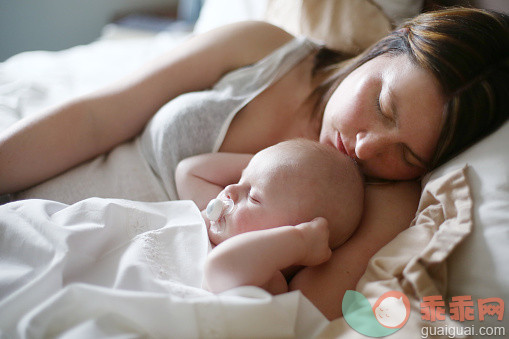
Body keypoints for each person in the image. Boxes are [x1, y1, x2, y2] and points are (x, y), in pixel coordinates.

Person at [0, 8, 507, 319]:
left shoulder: (384, 200)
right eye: (382, 105)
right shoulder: (263, 49)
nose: (367, 146)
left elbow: (296, 313)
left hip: (100, 277)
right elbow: (99, 116)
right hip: (28, 203)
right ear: (383, 49)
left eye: (407, 154)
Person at [175, 139, 364, 294]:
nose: (230, 189)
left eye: (253, 197)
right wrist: (259, 167)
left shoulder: (266, 280)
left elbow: (219, 267)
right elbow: (188, 171)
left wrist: (300, 243)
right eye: (239, 180)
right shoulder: (213, 220)